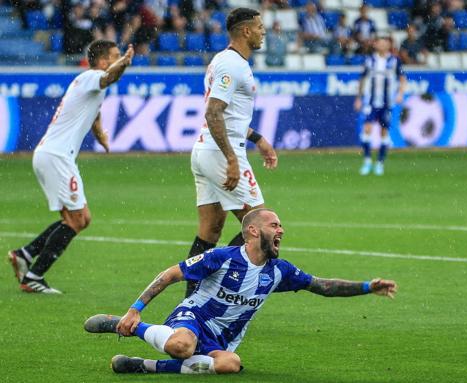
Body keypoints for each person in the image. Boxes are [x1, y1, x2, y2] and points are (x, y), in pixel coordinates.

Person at [84, 208, 398, 375]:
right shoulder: (223, 257)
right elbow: (170, 275)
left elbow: (324, 287)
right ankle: (129, 327)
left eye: (280, 227)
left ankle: (144, 366)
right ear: (252, 231)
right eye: (275, 225)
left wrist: (369, 286)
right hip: (193, 318)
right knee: (182, 344)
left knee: (229, 365)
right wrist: (136, 308)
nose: (281, 230)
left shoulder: (280, 271)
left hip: (223, 340)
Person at [7, 40, 134, 294]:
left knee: (80, 218)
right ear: (102, 61)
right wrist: (126, 60)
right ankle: (34, 276)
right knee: (76, 219)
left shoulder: (93, 84)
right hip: (56, 157)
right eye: (115, 56)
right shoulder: (92, 76)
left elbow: (95, 114)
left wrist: (101, 137)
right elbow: (109, 77)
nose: (119, 59)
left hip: (55, 156)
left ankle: (25, 254)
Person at [185, 7, 278, 297]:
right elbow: (214, 113)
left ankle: (193, 297)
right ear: (246, 30)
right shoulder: (231, 65)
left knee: (210, 231)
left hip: (206, 150)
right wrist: (231, 159)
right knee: (264, 228)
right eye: (260, 27)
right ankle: (222, 286)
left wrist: (258, 138)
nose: (264, 31)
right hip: (219, 154)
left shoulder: (226, 62)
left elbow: (228, 117)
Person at [354, 36, 406, 176]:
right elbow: (363, 79)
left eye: (385, 43)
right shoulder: (370, 61)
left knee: (384, 132)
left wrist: (400, 93)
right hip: (370, 102)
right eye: (380, 43)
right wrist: (359, 98)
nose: (382, 45)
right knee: (366, 130)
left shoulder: (394, 61)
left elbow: (402, 78)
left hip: (386, 103)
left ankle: (380, 163)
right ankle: (367, 161)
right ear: (376, 45)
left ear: (389, 45)